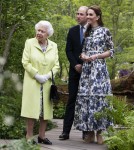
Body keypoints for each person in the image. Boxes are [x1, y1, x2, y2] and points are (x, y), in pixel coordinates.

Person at [74, 5, 114, 144]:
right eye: (88, 15)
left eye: (91, 15)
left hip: (99, 69)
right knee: (86, 99)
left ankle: (100, 132)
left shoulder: (105, 31)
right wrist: (83, 56)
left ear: (97, 17)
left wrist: (97, 56)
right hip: (87, 70)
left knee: (99, 98)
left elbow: (111, 51)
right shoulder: (87, 32)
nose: (88, 17)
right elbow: (83, 51)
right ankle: (89, 132)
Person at [21, 20, 60, 145]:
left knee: (45, 110)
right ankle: (29, 136)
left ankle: (42, 136)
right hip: (33, 82)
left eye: (42, 31)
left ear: (48, 33)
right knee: (32, 110)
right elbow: (25, 62)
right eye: (38, 30)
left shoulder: (54, 46)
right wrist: (36, 75)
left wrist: (48, 76)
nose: (39, 33)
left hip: (47, 83)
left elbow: (57, 65)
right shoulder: (29, 43)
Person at [59, 6, 88, 140]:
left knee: (86, 101)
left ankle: (86, 132)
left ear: (87, 16)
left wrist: (84, 65)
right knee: (72, 100)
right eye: (77, 14)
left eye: (81, 14)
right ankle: (65, 132)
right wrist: (75, 65)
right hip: (74, 71)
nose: (78, 16)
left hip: (89, 72)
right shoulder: (72, 31)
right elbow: (68, 50)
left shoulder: (94, 31)